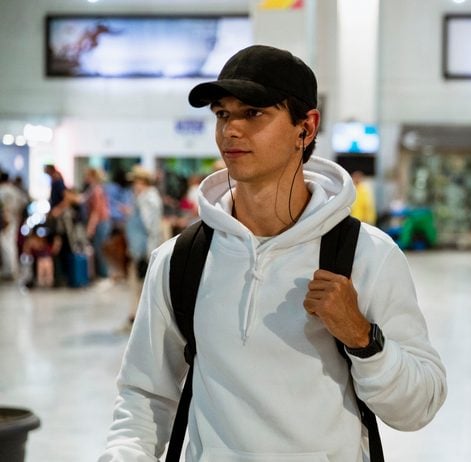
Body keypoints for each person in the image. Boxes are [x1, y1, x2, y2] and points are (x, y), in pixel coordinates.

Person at [99, 44, 447, 461]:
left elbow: (418, 407)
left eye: (253, 113)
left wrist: (362, 338)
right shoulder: (181, 259)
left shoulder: (366, 256)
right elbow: (144, 397)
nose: (231, 130)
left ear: (306, 127)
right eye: (222, 114)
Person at [118, 165, 164, 332]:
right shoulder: (145, 198)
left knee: (140, 287)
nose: (133, 185)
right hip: (140, 250)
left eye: (135, 181)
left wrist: (147, 251)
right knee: (138, 287)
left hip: (143, 251)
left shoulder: (147, 199)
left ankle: (138, 322)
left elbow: (149, 226)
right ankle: (135, 319)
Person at [83, 167, 112, 279]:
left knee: (100, 249)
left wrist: (90, 228)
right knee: (100, 248)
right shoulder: (95, 189)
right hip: (103, 222)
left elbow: (96, 212)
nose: (85, 178)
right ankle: (102, 273)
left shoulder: (96, 190)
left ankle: (103, 275)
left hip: (101, 223)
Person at [0, 170, 28, 280]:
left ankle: (9, 270)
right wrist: (18, 214)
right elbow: (24, 202)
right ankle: (13, 269)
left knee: (5, 244)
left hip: (5, 219)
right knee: (12, 243)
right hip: (14, 218)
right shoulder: (14, 190)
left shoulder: (2, 190)